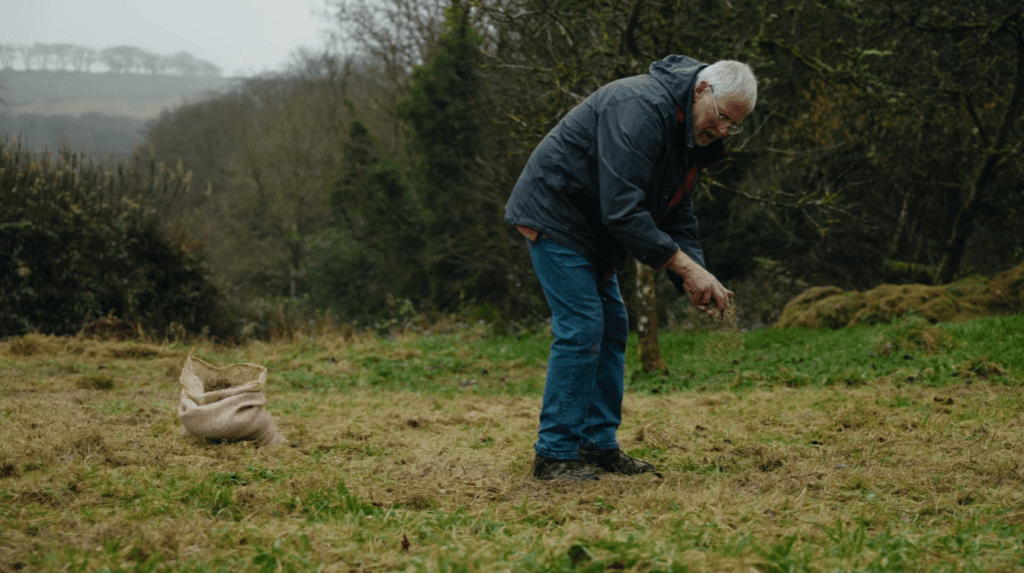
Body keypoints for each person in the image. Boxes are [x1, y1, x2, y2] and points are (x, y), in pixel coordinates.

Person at [504, 55, 757, 481]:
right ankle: (553, 456)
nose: (725, 131)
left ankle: (598, 446)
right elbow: (622, 210)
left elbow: (676, 214)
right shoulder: (639, 105)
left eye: (735, 124)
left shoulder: (689, 135)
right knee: (583, 326)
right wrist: (683, 266)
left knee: (614, 325)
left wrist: (693, 275)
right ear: (701, 90)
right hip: (556, 214)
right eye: (722, 117)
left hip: (591, 229)